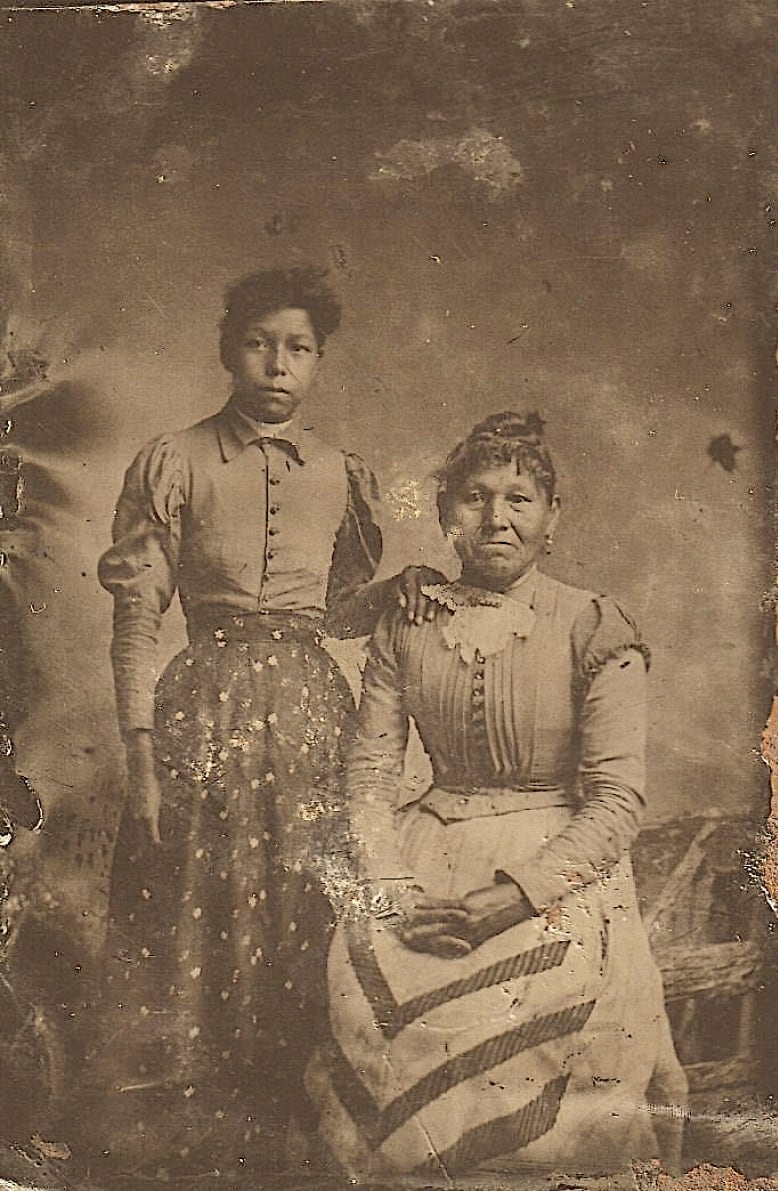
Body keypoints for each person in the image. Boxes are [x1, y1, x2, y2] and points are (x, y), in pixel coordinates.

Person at [92, 266, 434, 1181]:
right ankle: (205, 1142)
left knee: (305, 909)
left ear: (319, 361)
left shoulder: (343, 474)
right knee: (202, 905)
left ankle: (295, 1131)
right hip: (203, 712)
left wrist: (396, 593)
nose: (278, 365)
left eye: (299, 348)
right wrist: (138, 752)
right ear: (227, 349)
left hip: (315, 716)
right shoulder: (175, 458)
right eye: (259, 343)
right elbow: (137, 618)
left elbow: (339, 615)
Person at [307, 410, 688, 1178]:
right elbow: (372, 773)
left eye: (520, 498)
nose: (497, 518)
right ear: (446, 514)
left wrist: (518, 896)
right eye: (476, 497)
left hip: (556, 866)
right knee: (363, 990)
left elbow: (617, 801)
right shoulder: (408, 620)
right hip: (424, 857)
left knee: (543, 1006)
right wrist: (389, 888)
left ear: (553, 516)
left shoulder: (592, 624)